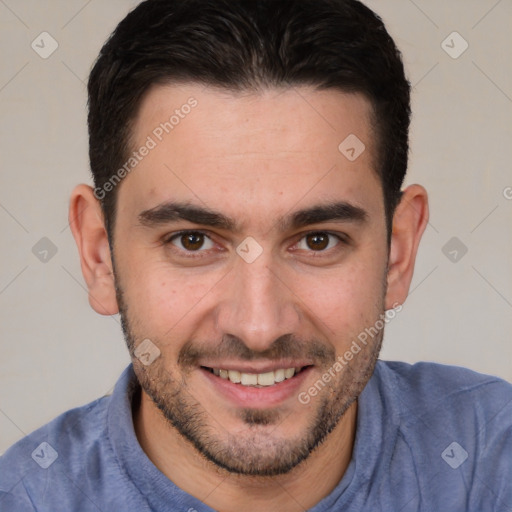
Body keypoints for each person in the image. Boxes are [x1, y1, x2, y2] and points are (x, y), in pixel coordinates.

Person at [1, 0, 511, 510]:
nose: (259, 327)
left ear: (397, 252)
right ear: (100, 255)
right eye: (193, 241)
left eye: (318, 240)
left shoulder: (492, 462)